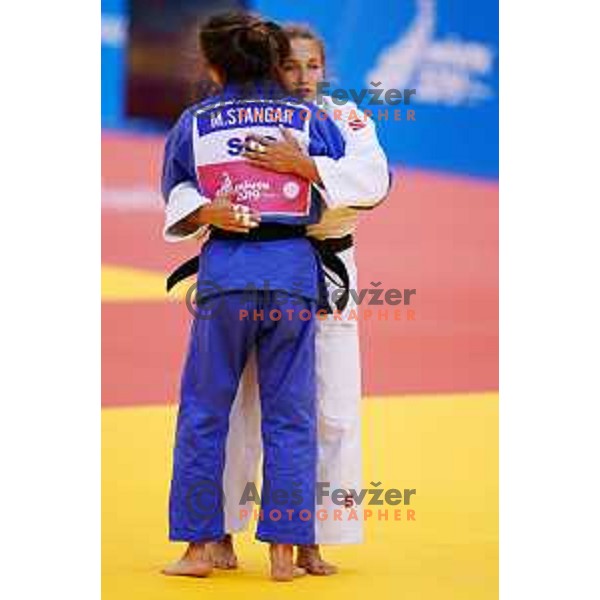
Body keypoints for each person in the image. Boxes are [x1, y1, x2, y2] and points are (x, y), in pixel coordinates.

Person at [160, 12, 346, 582]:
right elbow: (339, 178)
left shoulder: (194, 121)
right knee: (291, 417)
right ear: (273, 61)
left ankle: (197, 549)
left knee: (203, 412)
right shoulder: (309, 117)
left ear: (214, 67)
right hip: (291, 275)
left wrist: (209, 207)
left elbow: (177, 192)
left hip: (226, 281)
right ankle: (286, 551)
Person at [206, 25, 390, 574]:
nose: (304, 78)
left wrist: (305, 165)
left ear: (325, 69)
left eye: (313, 66)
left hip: (328, 266)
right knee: (243, 402)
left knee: (331, 407)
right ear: (271, 69)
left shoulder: (344, 117)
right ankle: (221, 532)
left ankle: (313, 536)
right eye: (291, 67)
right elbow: (210, 183)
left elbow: (373, 179)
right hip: (261, 263)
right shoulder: (245, 119)